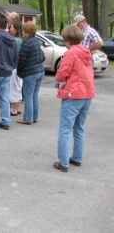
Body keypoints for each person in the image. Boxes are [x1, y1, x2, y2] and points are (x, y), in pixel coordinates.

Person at [53, 25, 95, 172]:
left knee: (65, 129)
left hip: (74, 93)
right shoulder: (86, 52)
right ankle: (77, 157)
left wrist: (59, 78)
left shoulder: (71, 53)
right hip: (87, 93)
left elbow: (61, 74)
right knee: (79, 128)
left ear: (67, 39)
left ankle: (63, 163)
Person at [16, 21, 45, 125]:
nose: (22, 33)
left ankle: (28, 118)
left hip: (31, 73)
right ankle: (34, 117)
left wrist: (19, 72)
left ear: (27, 32)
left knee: (28, 95)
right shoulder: (37, 42)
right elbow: (42, 56)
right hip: (40, 71)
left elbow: (21, 60)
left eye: (23, 31)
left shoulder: (26, 43)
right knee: (34, 95)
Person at [9, 21, 23, 116]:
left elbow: (14, 55)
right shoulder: (22, 40)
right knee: (19, 87)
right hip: (20, 67)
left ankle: (14, 108)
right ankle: (18, 107)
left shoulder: (15, 41)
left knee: (13, 87)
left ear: (16, 29)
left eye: (12, 27)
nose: (10, 29)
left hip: (14, 67)